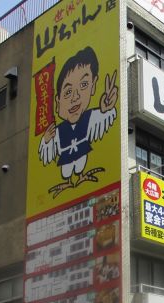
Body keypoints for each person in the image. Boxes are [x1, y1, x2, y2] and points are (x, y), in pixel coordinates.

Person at [38, 47, 118, 198]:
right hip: (66, 156)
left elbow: (101, 120)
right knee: (67, 168)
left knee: (80, 163)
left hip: (82, 151)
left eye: (83, 85)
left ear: (93, 86)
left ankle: (81, 176)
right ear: (58, 102)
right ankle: (68, 181)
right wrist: (46, 140)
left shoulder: (89, 117)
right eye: (68, 92)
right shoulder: (58, 130)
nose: (75, 97)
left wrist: (107, 109)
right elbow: (47, 151)